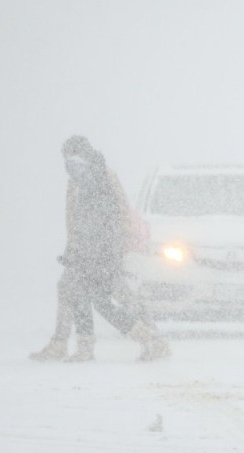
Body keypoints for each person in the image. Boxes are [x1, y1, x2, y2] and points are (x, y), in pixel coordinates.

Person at [29, 135, 170, 362]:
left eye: (67, 155)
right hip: (87, 250)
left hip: (99, 250)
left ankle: (149, 339)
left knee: (107, 297)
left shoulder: (99, 176)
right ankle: (72, 344)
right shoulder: (79, 178)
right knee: (78, 291)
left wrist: (112, 247)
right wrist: (74, 247)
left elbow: (117, 211)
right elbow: (76, 219)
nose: (65, 162)